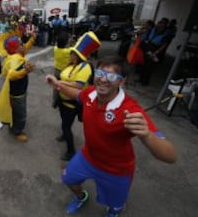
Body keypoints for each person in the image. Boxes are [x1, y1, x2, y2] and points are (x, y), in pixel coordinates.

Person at [46, 56, 177, 217]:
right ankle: (81, 197)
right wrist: (58, 85)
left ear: (122, 82)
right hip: (88, 157)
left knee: (114, 205)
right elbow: (78, 95)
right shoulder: (91, 93)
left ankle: (112, 212)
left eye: (111, 76)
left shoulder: (131, 109)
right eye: (100, 72)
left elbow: (171, 156)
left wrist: (147, 135)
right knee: (69, 180)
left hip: (116, 169)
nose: (103, 79)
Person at [56, 32, 99, 161]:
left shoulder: (85, 67)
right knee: (64, 122)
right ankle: (64, 135)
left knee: (66, 126)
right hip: (62, 100)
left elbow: (79, 86)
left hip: (72, 103)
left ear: (78, 56)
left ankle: (71, 151)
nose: (70, 55)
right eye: (71, 53)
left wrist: (61, 83)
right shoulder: (71, 64)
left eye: (73, 53)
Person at [0, 30, 37, 142]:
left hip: (16, 92)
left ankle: (13, 125)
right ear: (17, 49)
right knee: (21, 114)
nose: (24, 46)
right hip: (18, 94)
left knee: (14, 111)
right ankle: (17, 131)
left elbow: (25, 49)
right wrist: (25, 71)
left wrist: (32, 39)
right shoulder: (15, 60)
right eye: (21, 45)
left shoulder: (14, 56)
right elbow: (12, 75)